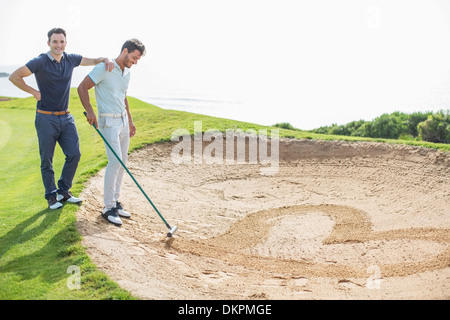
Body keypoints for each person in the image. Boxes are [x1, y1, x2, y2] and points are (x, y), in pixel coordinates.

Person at [9, 27, 115, 210]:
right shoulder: (40, 61)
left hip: (65, 117)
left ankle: (64, 191)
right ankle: (51, 195)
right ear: (48, 43)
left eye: (61, 41)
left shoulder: (70, 59)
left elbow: (92, 60)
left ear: (66, 42)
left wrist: (105, 59)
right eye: (55, 41)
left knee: (74, 154)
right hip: (45, 118)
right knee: (47, 160)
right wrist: (34, 92)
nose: (59, 45)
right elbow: (14, 76)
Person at [77, 38, 145, 226]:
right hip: (108, 121)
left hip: (123, 121)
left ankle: (115, 201)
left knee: (122, 162)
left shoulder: (127, 72)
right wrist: (90, 110)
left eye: (138, 59)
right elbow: (82, 87)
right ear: (125, 51)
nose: (135, 62)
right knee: (114, 161)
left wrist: (130, 120)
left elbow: (123, 96)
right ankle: (108, 208)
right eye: (134, 57)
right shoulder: (104, 68)